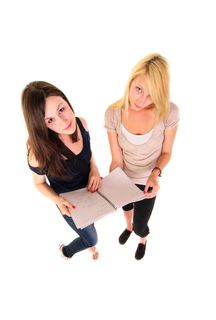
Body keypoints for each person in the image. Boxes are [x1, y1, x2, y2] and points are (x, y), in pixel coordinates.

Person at [104, 53, 179, 260]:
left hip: (148, 181)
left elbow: (166, 152)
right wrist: (112, 181)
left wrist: (155, 174)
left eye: (151, 94)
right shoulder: (112, 113)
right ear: (131, 81)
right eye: (139, 89)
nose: (142, 100)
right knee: (126, 208)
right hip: (124, 178)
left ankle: (141, 237)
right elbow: (116, 160)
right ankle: (127, 227)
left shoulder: (169, 112)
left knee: (140, 225)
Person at [22, 81, 101, 260]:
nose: (64, 121)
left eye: (61, 109)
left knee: (92, 222)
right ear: (41, 125)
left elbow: (87, 153)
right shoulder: (38, 153)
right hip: (69, 203)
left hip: (92, 191)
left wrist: (94, 169)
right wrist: (58, 200)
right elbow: (39, 183)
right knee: (92, 238)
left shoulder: (82, 123)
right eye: (50, 120)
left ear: (66, 100)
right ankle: (66, 252)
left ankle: (87, 242)